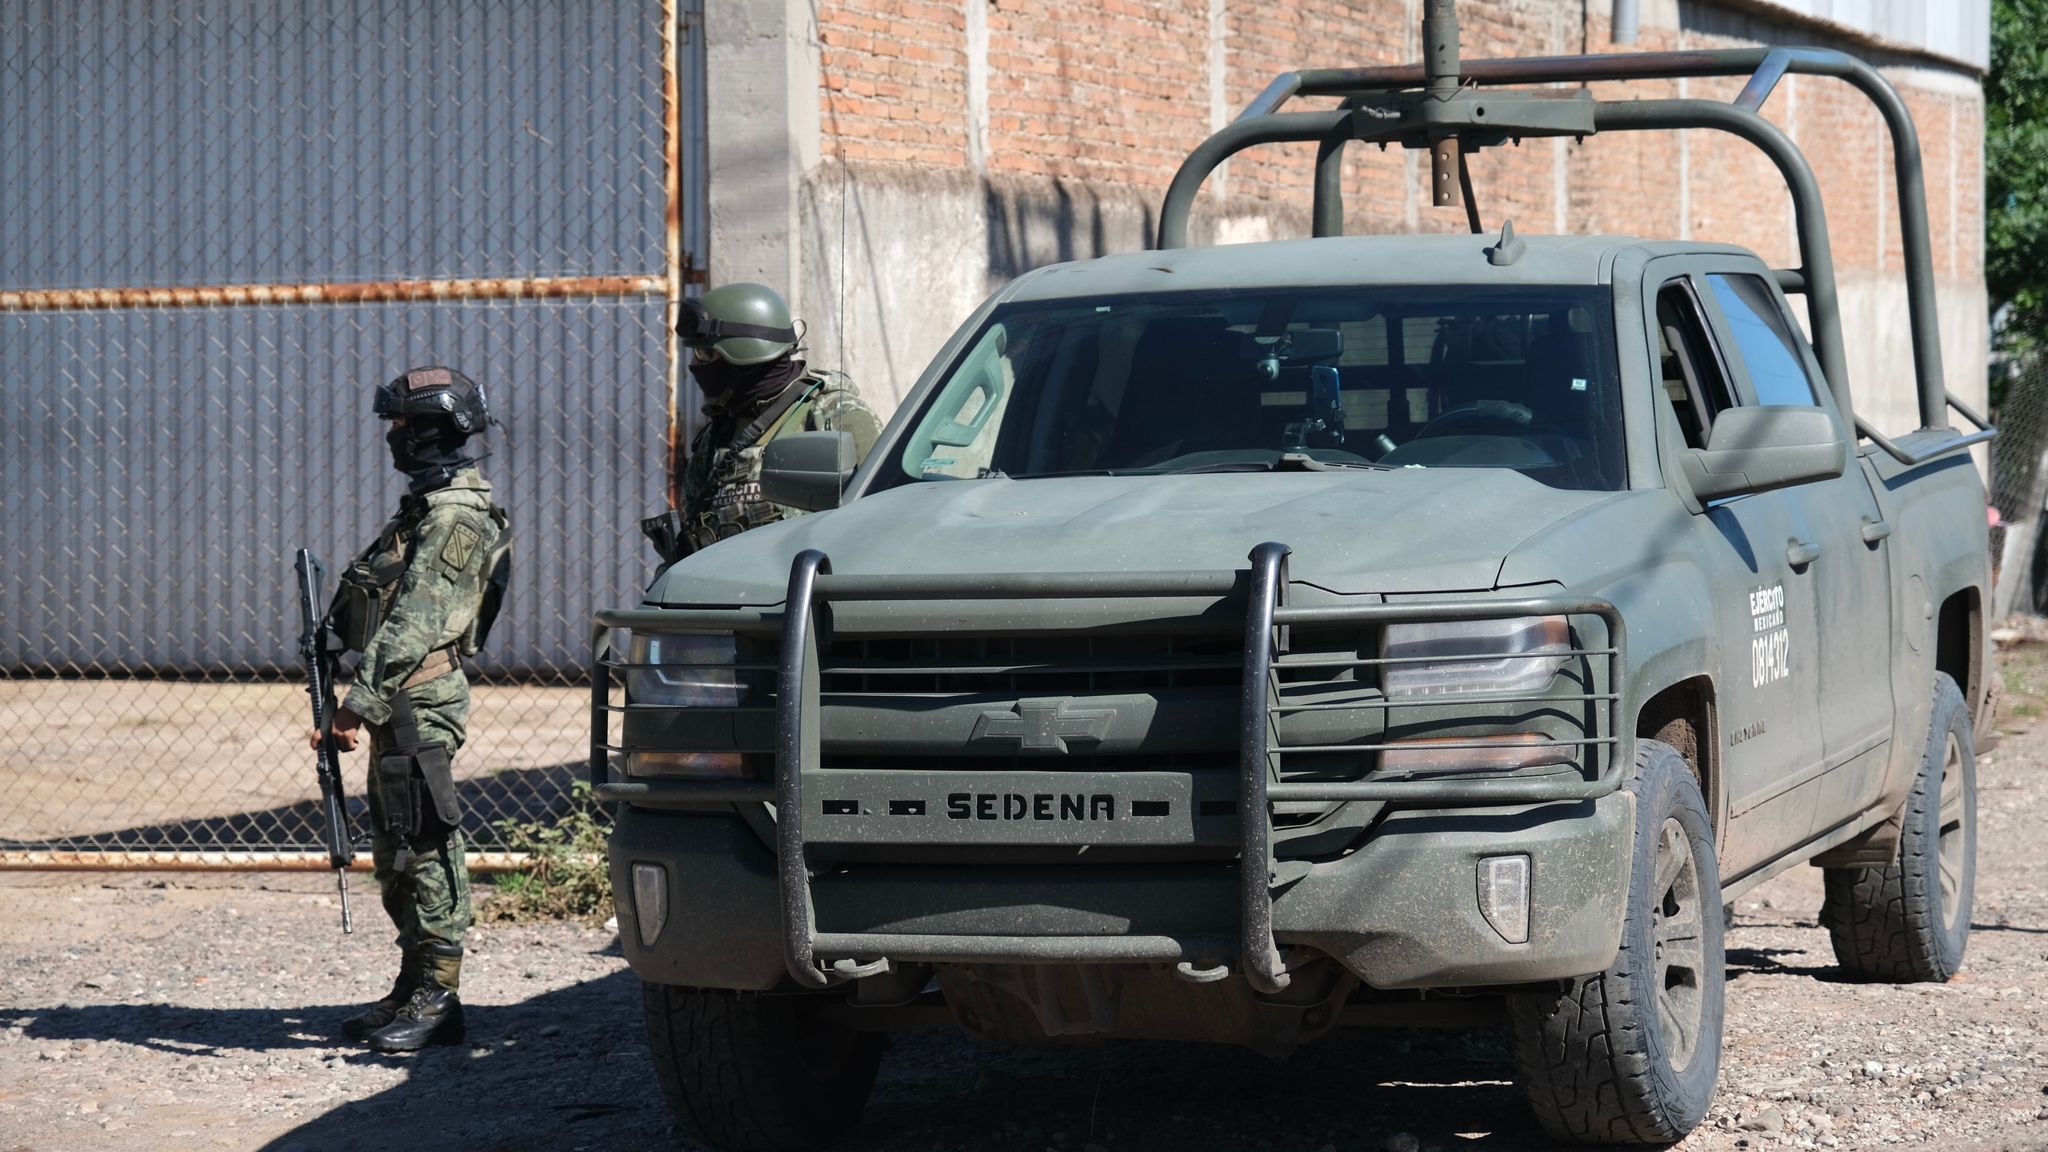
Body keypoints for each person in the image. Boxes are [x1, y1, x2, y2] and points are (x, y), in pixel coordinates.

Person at [307, 366, 509, 1053]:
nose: (392, 438)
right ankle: (412, 983)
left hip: (417, 697)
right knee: (397, 847)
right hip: (399, 696)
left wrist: (355, 706)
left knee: (425, 842)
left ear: (433, 431)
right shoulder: (426, 507)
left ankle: (440, 996)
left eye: (401, 426)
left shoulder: (455, 515)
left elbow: (419, 621)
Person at [643, 282, 882, 562]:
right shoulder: (718, 434)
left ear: (743, 352)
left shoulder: (835, 415)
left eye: (706, 354)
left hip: (804, 595)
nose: (696, 366)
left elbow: (879, 524)